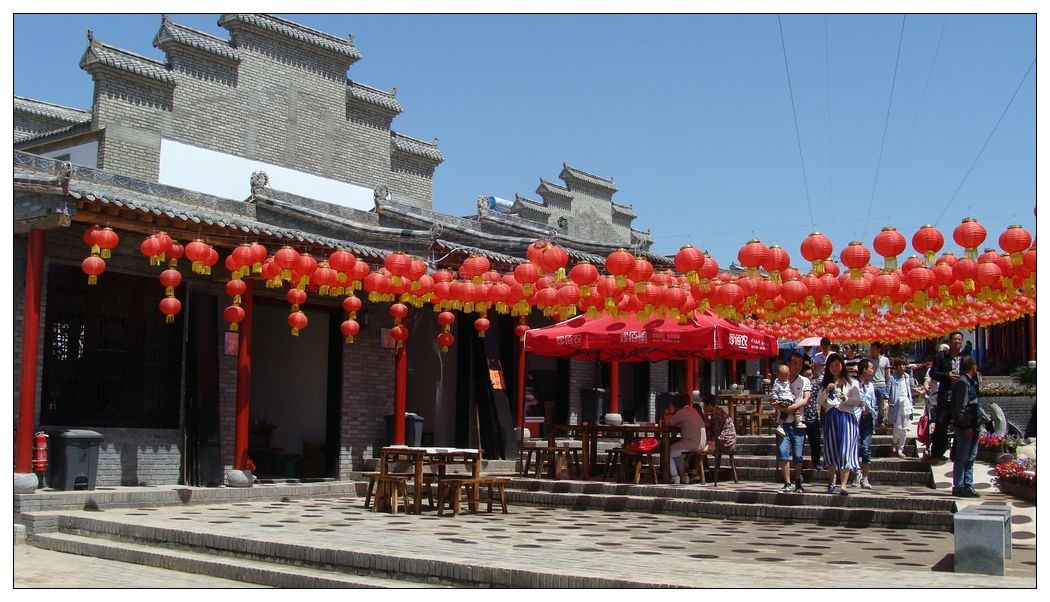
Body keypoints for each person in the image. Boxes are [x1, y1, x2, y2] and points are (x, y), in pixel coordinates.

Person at [816, 353, 862, 495]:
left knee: (845, 450)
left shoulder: (852, 383)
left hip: (847, 418)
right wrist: (826, 391)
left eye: (837, 365)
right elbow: (819, 402)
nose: (834, 368)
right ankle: (831, 481)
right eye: (831, 366)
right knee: (831, 450)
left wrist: (846, 398)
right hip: (831, 418)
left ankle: (843, 485)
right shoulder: (825, 384)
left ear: (842, 365)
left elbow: (858, 401)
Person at [775, 353, 811, 492]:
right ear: (789, 364)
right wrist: (784, 408)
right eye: (795, 363)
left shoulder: (804, 381)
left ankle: (797, 479)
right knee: (783, 452)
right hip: (783, 423)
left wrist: (794, 407)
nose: (797, 366)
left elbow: (807, 399)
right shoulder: (779, 380)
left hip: (798, 421)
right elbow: (773, 400)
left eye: (800, 364)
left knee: (798, 454)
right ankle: (787, 482)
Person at [929, 332, 965, 462]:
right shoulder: (941, 357)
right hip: (946, 397)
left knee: (960, 426)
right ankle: (937, 453)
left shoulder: (965, 357)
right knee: (941, 425)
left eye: (959, 339)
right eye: (954, 339)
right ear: (950, 341)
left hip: (961, 398)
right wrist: (947, 375)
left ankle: (956, 454)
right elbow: (933, 373)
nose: (957, 342)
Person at [950, 355, 982, 497]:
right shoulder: (962, 383)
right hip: (966, 427)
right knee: (962, 457)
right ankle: (959, 486)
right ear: (973, 366)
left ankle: (968, 485)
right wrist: (966, 426)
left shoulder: (971, 382)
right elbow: (961, 408)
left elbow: (975, 404)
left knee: (970, 457)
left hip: (974, 425)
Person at [661, 392, 706, 485]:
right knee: (676, 451)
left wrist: (668, 413)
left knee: (669, 450)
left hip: (691, 443)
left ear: (675, 405)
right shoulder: (693, 410)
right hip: (701, 443)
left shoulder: (681, 412)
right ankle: (684, 476)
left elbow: (668, 423)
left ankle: (675, 476)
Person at [853, 358, 878, 489]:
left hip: (867, 419)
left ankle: (865, 477)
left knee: (866, 447)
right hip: (855, 418)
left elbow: (873, 402)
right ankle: (856, 473)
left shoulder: (871, 386)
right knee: (855, 446)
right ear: (864, 370)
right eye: (871, 368)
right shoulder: (854, 384)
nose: (872, 371)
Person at [887, 357, 917, 458]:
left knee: (904, 429)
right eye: (900, 365)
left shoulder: (907, 376)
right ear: (896, 366)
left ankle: (901, 448)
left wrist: (919, 392)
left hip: (906, 403)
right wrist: (886, 403)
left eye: (904, 365)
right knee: (898, 427)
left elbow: (911, 389)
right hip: (896, 404)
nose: (902, 367)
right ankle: (894, 442)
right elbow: (887, 391)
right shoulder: (892, 378)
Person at [799, 364, 823, 471]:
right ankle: (799, 466)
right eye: (807, 375)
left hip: (812, 417)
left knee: (816, 442)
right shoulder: (798, 386)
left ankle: (816, 462)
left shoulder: (814, 386)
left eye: (811, 375)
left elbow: (821, 398)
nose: (810, 377)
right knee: (799, 444)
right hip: (800, 418)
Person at [869, 341, 891, 426]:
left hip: (881, 385)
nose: (872, 350)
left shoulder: (885, 360)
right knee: (871, 405)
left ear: (879, 349)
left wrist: (888, 385)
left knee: (881, 406)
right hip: (871, 385)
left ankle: (880, 421)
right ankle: (872, 422)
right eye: (871, 349)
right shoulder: (869, 360)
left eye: (874, 349)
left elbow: (888, 374)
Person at [770, 364, 794, 437]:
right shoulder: (777, 383)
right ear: (778, 375)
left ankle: (797, 420)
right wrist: (775, 399)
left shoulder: (787, 382)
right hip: (782, 399)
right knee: (785, 411)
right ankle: (780, 425)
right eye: (782, 376)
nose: (784, 378)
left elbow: (788, 390)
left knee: (795, 407)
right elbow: (774, 392)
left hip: (789, 398)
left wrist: (791, 395)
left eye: (786, 376)